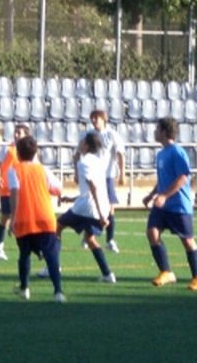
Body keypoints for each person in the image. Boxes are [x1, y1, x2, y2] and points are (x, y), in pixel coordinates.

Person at [141, 116, 197, 291]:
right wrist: (152, 194)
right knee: (152, 233)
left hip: (178, 206)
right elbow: (163, 179)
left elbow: (183, 177)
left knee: (187, 241)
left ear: (165, 131)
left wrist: (165, 196)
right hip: (163, 205)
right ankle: (166, 272)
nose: (154, 131)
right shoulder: (161, 153)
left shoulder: (177, 152)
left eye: (157, 128)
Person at [8, 134, 66, 303]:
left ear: (18, 153)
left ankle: (25, 289)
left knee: (24, 254)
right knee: (51, 255)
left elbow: (15, 194)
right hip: (45, 216)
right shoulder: (43, 169)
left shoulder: (15, 169)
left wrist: (13, 218)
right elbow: (57, 188)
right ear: (35, 153)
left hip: (24, 217)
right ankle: (58, 292)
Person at [59, 131, 116, 283]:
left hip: (88, 208)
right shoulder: (98, 162)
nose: (79, 143)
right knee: (90, 239)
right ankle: (107, 274)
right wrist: (72, 198)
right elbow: (90, 189)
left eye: (82, 141)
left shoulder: (84, 163)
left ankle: (53, 266)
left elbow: (93, 188)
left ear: (86, 145)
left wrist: (102, 216)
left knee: (57, 227)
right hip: (97, 207)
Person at [77, 109, 125, 253]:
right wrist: (76, 172)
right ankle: (88, 236)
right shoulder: (88, 135)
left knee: (110, 208)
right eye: (92, 118)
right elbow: (78, 152)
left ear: (104, 119)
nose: (94, 121)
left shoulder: (112, 134)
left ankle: (110, 240)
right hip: (93, 175)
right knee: (91, 206)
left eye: (96, 118)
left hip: (107, 176)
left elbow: (120, 154)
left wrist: (122, 173)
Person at [0, 123, 30, 261]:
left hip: (22, 189)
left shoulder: (29, 150)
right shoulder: (7, 149)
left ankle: (29, 247)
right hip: (7, 190)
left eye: (19, 132)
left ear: (26, 135)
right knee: (6, 217)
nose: (16, 134)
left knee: (23, 218)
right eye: (15, 132)